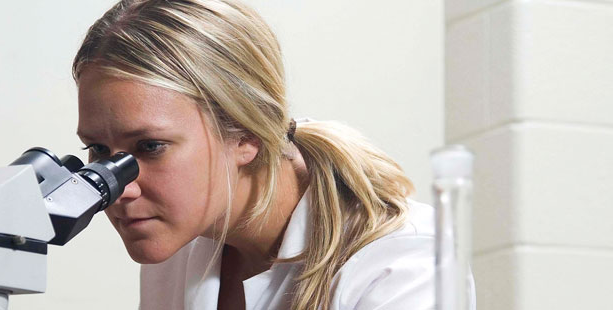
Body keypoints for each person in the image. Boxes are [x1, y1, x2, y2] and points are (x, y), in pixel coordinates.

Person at [72, 0, 472, 309]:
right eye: (99, 150)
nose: (119, 188)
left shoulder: (406, 263)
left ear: (246, 134)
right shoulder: (176, 244)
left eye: (150, 147)